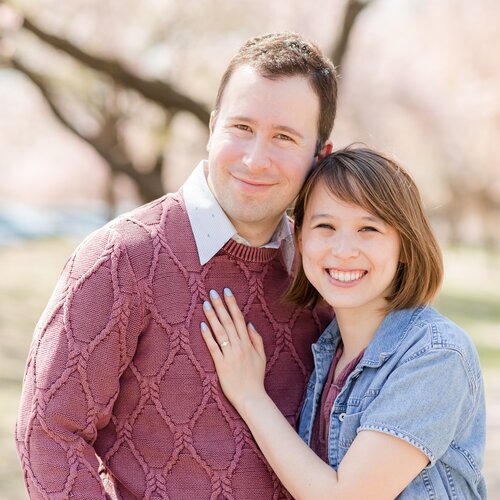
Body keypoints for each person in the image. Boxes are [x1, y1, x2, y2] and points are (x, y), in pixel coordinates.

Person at [15, 33, 338, 499]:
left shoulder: (323, 276)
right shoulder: (122, 257)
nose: (254, 158)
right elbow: (49, 432)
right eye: (241, 128)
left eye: (283, 137)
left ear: (318, 156)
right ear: (211, 130)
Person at [200, 147, 487, 499]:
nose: (344, 249)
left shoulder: (437, 355)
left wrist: (249, 396)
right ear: (300, 237)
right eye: (326, 226)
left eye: (368, 228)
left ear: (405, 246)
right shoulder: (327, 350)